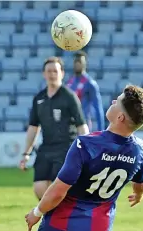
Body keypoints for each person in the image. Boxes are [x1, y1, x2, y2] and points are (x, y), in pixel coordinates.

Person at [24, 85, 143, 231]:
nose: (112, 101)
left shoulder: (85, 144)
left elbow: (58, 192)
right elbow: (141, 184)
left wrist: (37, 212)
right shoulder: (141, 149)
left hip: (60, 229)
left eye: (117, 102)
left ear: (120, 118)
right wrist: (139, 195)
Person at [19, 57, 90, 200]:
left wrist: (87, 151)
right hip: (46, 148)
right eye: (49, 71)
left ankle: (61, 219)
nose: (52, 74)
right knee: (39, 189)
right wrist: (26, 153)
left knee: (57, 191)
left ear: (62, 73)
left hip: (66, 148)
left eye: (55, 71)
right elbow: (33, 127)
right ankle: (53, 217)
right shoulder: (39, 98)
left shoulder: (69, 97)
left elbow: (81, 125)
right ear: (43, 74)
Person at [66, 51, 105, 131]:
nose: (77, 64)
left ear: (85, 63)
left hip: (83, 125)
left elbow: (98, 109)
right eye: (75, 61)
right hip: (69, 125)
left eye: (79, 61)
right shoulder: (69, 82)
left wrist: (101, 131)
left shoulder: (90, 83)